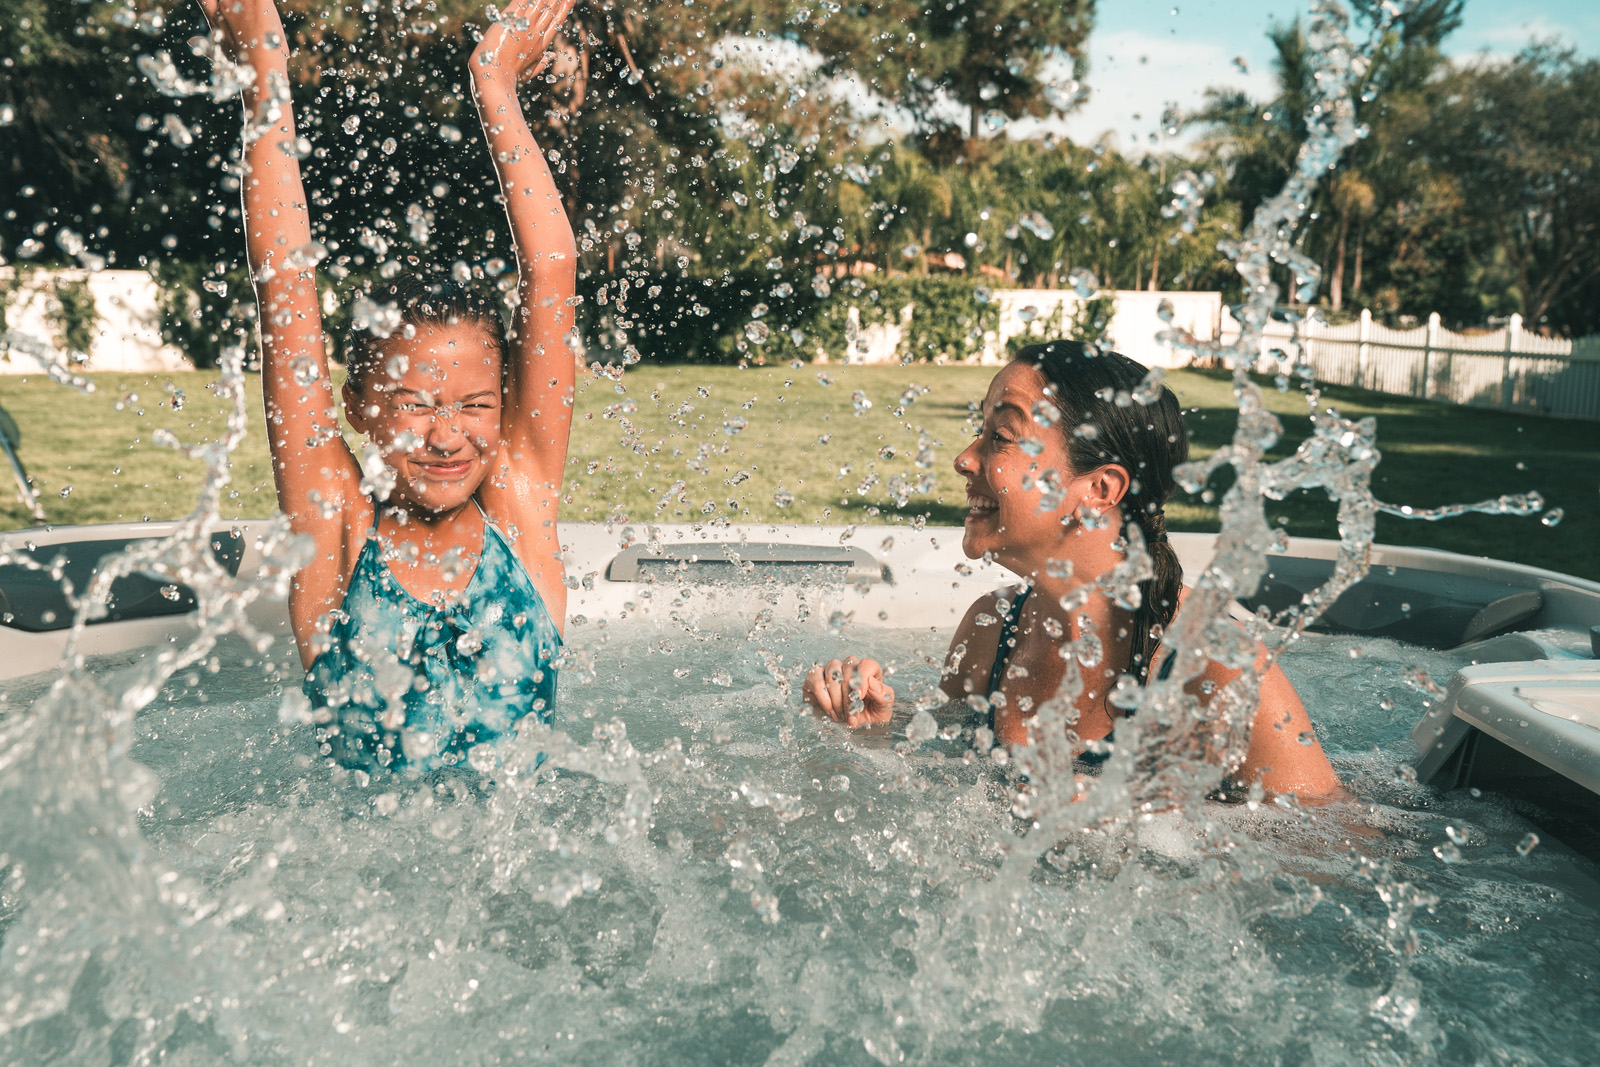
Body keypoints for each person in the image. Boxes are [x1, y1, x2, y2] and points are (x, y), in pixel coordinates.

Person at [200, 0, 580, 771]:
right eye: (415, 406)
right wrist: (265, 68)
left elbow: (552, 274)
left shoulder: (519, 511)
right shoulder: (338, 533)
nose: (447, 435)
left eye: (474, 406)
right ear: (360, 410)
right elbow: (285, 283)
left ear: (503, 408)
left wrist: (495, 84)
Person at [803, 341, 1342, 799]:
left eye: (1001, 437)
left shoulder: (1219, 668)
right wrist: (877, 726)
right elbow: (945, 769)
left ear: (1099, 490)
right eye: (980, 430)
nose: (965, 459)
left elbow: (1336, 846)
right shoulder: (992, 629)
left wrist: (1145, 819)